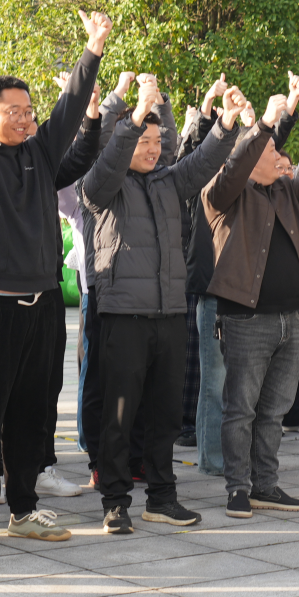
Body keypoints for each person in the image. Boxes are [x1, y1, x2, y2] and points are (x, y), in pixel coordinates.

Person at [0, 6, 107, 552]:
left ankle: (23, 507)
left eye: (28, 111)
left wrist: (92, 49)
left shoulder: (40, 153)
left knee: (33, 414)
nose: (24, 118)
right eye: (12, 111)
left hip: (43, 306)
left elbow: (70, 110)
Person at [79, 76, 243, 532]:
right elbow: (108, 165)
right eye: (142, 140)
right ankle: (115, 501)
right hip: (123, 316)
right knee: (119, 415)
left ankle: (162, 497)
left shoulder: (170, 181)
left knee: (165, 416)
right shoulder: (101, 186)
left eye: (156, 141)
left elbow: (203, 161)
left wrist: (227, 124)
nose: (153, 149)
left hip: (169, 313)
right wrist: (133, 117)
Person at [204, 93, 299, 518]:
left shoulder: (285, 190)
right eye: (270, 150)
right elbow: (235, 166)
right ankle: (238, 488)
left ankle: (265, 484)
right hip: (247, 320)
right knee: (241, 410)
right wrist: (264, 124)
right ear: (249, 157)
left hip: (290, 317)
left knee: (273, 411)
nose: (279, 156)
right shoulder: (224, 194)